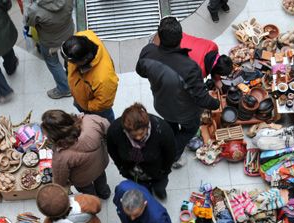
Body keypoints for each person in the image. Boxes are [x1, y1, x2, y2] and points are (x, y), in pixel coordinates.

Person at [136, 17, 220, 169]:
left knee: (171, 126)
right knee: (188, 131)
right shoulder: (189, 67)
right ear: (181, 38)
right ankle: (172, 155)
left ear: (159, 37)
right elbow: (202, 99)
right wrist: (216, 103)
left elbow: (141, 71)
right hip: (186, 112)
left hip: (161, 104)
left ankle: (169, 140)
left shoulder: (148, 52)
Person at [107, 103, 175, 200]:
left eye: (142, 133)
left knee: (159, 186)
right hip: (131, 172)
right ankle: (147, 193)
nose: (138, 138)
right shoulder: (114, 131)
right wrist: (121, 168)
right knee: (142, 189)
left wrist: (164, 171)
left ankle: (159, 190)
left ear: (147, 126)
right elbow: (112, 151)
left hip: (156, 171)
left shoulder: (162, 130)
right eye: (134, 135)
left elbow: (170, 154)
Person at [41, 110, 111, 199]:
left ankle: (94, 200)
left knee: (88, 192)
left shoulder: (60, 156)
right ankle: (104, 193)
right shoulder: (90, 120)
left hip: (83, 179)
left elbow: (60, 180)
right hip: (100, 164)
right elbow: (108, 127)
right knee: (101, 179)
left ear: (54, 136)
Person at [62, 30, 119, 122]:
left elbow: (104, 102)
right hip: (81, 97)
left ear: (83, 60)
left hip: (95, 109)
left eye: (71, 61)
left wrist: (87, 106)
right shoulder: (82, 37)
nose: (69, 63)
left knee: (106, 122)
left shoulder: (104, 78)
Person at [24, 0, 74, 100]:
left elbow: (29, 22)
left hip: (50, 42)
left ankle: (64, 89)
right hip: (68, 32)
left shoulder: (35, 9)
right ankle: (72, 74)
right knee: (70, 55)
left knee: (53, 63)